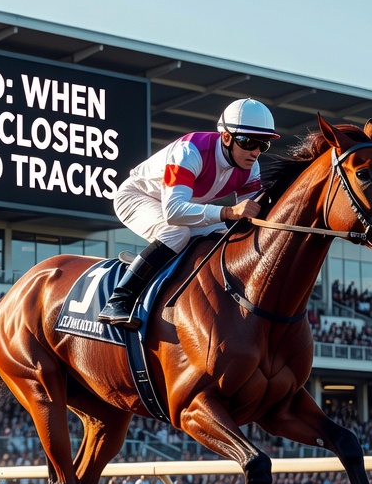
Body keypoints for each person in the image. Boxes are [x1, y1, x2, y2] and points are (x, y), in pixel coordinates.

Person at [97, 98, 277, 329]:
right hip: (137, 197)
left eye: (263, 145)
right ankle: (119, 299)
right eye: (248, 141)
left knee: (226, 237)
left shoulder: (251, 168)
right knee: (176, 232)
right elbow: (173, 212)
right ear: (226, 137)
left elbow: (245, 220)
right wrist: (229, 211)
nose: (255, 152)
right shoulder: (190, 151)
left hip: (181, 204)